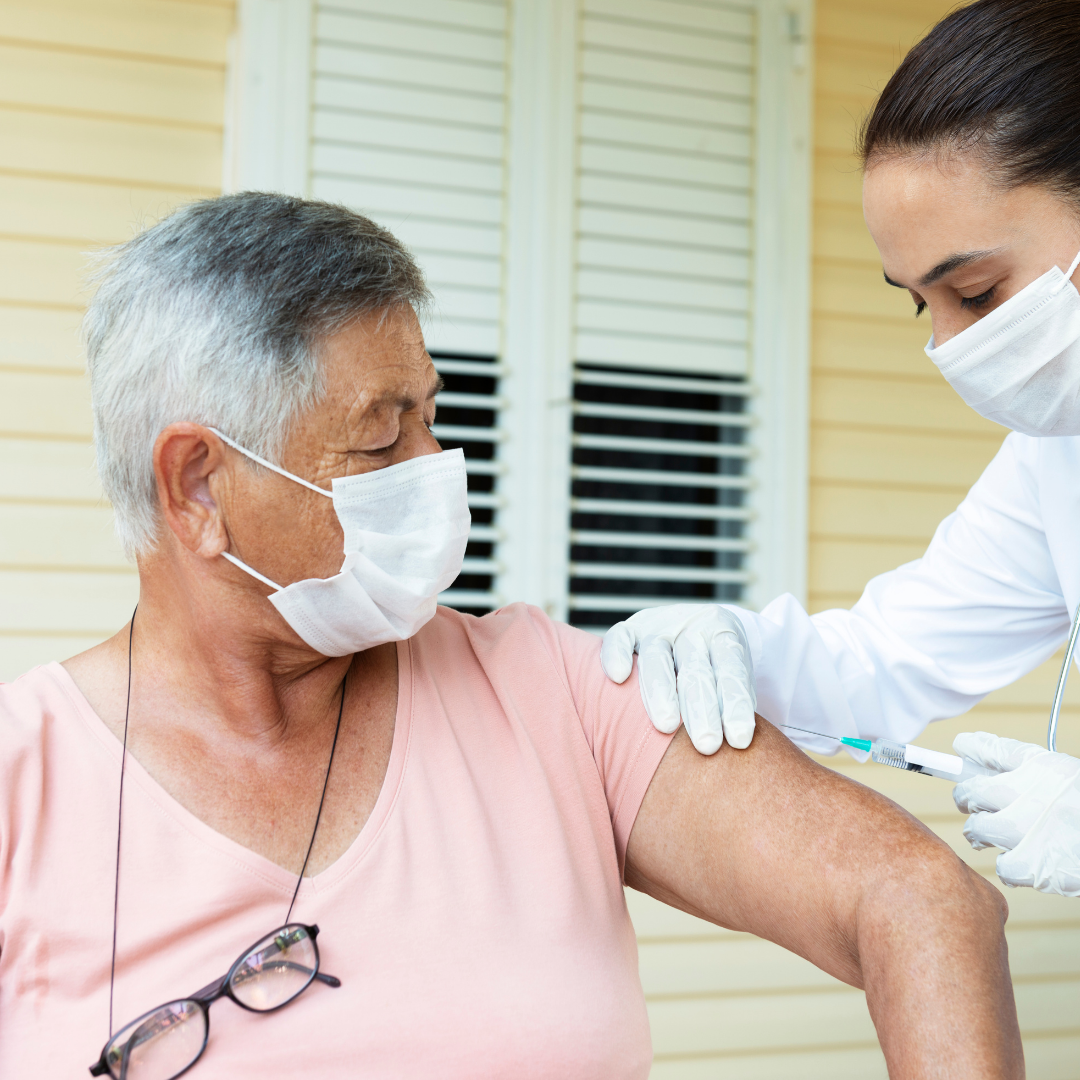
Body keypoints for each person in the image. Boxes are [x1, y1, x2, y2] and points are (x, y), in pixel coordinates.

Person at [0, 194, 1019, 1078]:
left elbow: (921, 900)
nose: (439, 466)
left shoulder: (562, 698)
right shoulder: (24, 780)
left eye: (433, 416)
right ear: (198, 486)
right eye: (379, 436)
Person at [602, 0, 1080, 900]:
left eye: (974, 292)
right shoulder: (1057, 455)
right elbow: (892, 658)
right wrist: (738, 643)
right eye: (918, 303)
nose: (945, 345)